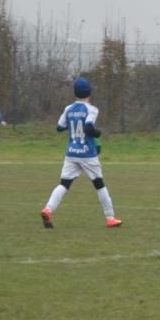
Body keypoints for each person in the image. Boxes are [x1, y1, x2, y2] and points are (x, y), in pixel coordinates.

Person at [40, 77, 121, 229]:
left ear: (75, 93)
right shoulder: (91, 109)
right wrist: (98, 134)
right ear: (89, 92)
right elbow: (89, 128)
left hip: (71, 152)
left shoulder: (68, 109)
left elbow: (59, 127)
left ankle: (48, 209)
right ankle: (110, 218)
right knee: (99, 184)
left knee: (64, 184)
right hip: (87, 153)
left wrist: (72, 124)